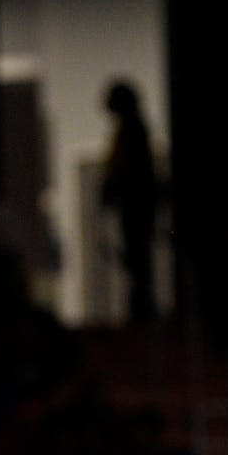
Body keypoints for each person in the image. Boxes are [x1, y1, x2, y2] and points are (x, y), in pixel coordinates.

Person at [98, 78, 160, 326]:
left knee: (138, 261)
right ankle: (141, 309)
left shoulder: (131, 131)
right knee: (137, 261)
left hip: (136, 206)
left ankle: (141, 311)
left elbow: (128, 170)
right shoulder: (131, 130)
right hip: (135, 205)